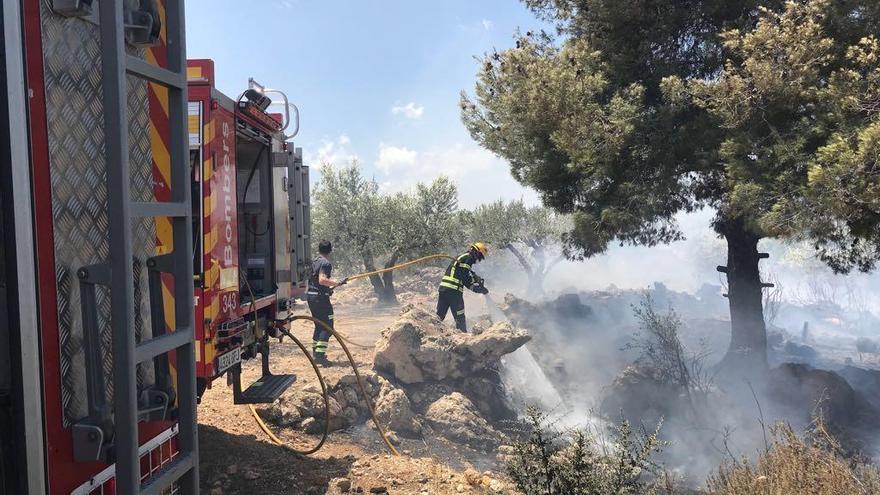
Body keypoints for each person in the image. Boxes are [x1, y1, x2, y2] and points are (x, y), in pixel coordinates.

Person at [307, 240, 346, 366]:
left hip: (312, 296)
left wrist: (327, 291)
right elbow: (322, 280)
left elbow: (316, 281)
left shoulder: (315, 261)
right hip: (319, 299)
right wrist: (336, 283)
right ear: (330, 250)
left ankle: (316, 354)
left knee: (319, 325)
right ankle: (320, 356)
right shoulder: (325, 263)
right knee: (328, 326)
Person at [437, 242, 489, 332]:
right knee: (460, 318)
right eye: (479, 256)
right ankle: (463, 340)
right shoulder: (468, 257)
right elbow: (465, 277)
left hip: (444, 290)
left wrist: (477, 289)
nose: (478, 260)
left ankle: (432, 335)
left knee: (439, 316)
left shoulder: (462, 258)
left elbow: (463, 275)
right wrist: (475, 283)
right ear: (475, 252)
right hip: (454, 292)